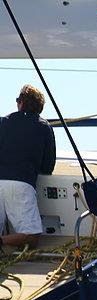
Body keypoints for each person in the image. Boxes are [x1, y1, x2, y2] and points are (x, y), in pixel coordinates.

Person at [0, 84, 55, 250]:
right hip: (21, 183)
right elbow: (48, 166)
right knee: (31, 237)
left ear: (21, 102)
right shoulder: (44, 127)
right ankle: (2, 241)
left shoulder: (2, 122)